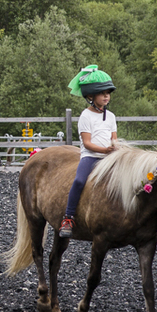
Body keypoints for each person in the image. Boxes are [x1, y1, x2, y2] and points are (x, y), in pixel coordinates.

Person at [60, 65, 118, 238]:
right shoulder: (86, 116)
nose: (107, 96)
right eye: (103, 93)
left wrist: (116, 148)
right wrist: (106, 150)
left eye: (108, 92)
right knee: (79, 181)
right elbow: (87, 143)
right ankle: (68, 217)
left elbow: (114, 138)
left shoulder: (112, 116)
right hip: (91, 156)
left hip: (109, 156)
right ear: (90, 96)